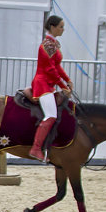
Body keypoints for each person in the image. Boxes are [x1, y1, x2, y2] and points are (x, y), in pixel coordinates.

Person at [29, 15, 73, 161]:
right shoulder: (47, 45)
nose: (63, 29)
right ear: (53, 27)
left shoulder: (53, 44)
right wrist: (62, 85)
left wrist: (67, 80)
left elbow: (57, 67)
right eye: (61, 26)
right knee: (51, 115)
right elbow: (50, 69)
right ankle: (36, 148)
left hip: (48, 83)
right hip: (42, 84)